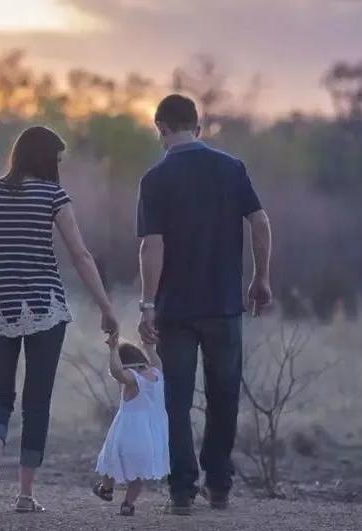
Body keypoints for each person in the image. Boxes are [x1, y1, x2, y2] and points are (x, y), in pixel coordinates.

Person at [0, 126, 118, 511]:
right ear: (45, 159)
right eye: (57, 159)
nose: (59, 167)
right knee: (37, 401)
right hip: (45, 307)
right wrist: (106, 306)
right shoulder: (53, 195)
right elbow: (80, 255)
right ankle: (26, 494)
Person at [136, 94, 272, 515]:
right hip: (224, 305)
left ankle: (181, 492)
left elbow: (151, 246)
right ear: (198, 126)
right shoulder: (231, 168)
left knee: (175, 401)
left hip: (175, 309)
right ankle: (219, 486)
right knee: (224, 396)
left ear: (160, 127)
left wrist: (146, 304)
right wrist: (260, 277)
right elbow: (260, 221)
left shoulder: (155, 178)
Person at [94, 339, 169, 516]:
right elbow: (157, 360)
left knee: (110, 460)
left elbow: (117, 372)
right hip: (152, 435)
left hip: (129, 432)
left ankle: (106, 489)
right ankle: (128, 503)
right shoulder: (157, 373)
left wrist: (113, 350)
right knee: (138, 473)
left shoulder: (133, 379)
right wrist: (149, 346)